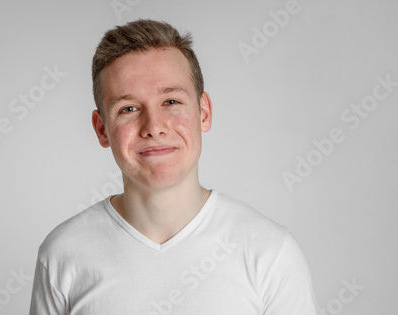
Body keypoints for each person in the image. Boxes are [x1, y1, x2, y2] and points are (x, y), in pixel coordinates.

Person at [29, 19, 319, 314]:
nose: (154, 127)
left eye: (170, 101)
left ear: (203, 112)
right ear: (102, 129)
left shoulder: (270, 252)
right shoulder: (62, 255)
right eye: (128, 109)